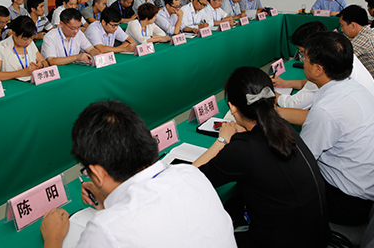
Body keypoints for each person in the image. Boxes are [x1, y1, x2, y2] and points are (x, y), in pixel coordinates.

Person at [40, 100, 236, 248]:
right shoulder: (191, 174)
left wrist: (53, 238)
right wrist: (109, 199)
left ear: (98, 173)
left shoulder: (105, 230)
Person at [194, 67, 330, 248]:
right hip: (316, 235)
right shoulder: (284, 127)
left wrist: (222, 140)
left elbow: (193, 177)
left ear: (232, 108)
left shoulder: (243, 150)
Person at [297, 32, 374, 226]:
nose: (302, 62)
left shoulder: (327, 110)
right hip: (370, 187)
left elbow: (300, 161)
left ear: (318, 70)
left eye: (304, 58)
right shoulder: (352, 87)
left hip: (347, 202)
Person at [273, 21, 374, 114]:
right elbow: (312, 85)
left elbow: (294, 104)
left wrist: (272, 95)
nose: (303, 59)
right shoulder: (339, 54)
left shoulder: (326, 68)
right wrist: (286, 83)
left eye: (302, 53)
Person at [0, 16, 48, 82]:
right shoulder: (1, 47)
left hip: (32, 83)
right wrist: (21, 73)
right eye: (25, 39)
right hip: (12, 85)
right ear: (14, 34)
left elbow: (44, 62)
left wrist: (41, 65)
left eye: (31, 38)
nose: (28, 42)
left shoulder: (31, 43)